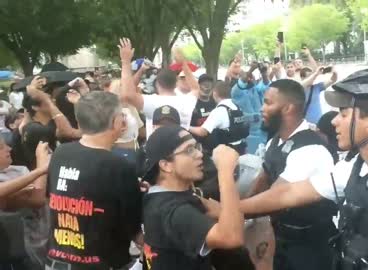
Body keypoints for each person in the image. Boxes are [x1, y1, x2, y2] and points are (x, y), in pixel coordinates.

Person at [203, 69, 368, 269]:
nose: (334, 121)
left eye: (344, 113)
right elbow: (288, 194)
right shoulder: (355, 168)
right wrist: (230, 209)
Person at [237, 79, 339, 270]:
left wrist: (229, 212)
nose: (261, 108)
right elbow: (262, 182)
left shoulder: (310, 149)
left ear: (287, 108)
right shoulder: (275, 141)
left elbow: (276, 198)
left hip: (311, 248)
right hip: (283, 239)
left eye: (267, 102)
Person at [46, 92, 142, 269]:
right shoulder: (119, 166)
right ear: (116, 123)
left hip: (58, 261)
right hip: (103, 263)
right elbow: (133, 226)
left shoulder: (61, 153)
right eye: (122, 115)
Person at [142, 126, 244, 270]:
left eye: (197, 147)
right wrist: (226, 172)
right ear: (166, 165)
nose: (199, 154)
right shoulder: (174, 210)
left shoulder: (159, 197)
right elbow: (231, 237)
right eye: (189, 150)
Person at [118, 38, 199, 138]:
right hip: (182, 148)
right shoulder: (186, 101)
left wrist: (125, 61)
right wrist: (183, 63)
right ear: (175, 84)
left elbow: (127, 94)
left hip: (156, 151)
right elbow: (196, 89)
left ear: (157, 84)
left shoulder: (151, 102)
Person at [0, 139, 50, 270]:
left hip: (46, 230)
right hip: (26, 245)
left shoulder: (17, 169)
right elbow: (37, 199)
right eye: (1, 147)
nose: (9, 149)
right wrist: (42, 165)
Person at [190, 81, 249, 155]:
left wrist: (187, 127)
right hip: (240, 149)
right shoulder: (237, 107)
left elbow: (202, 132)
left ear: (214, 93)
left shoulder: (219, 111)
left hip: (226, 153)